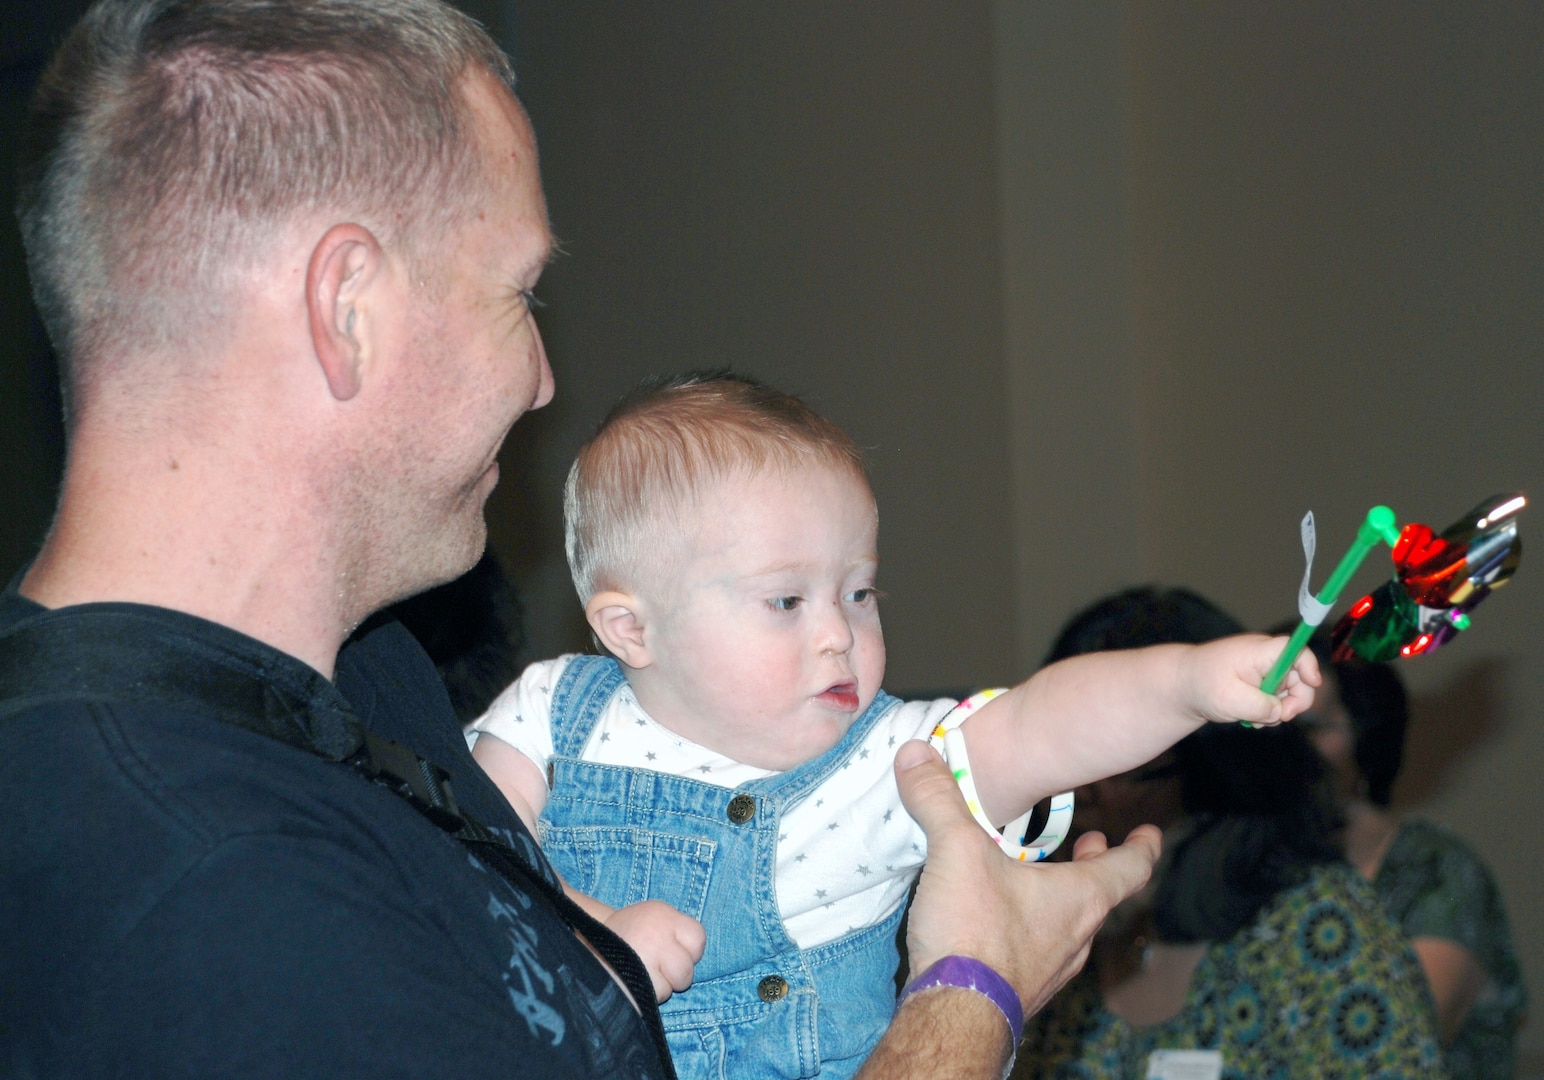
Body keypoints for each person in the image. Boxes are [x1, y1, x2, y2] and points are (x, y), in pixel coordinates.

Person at [0, 2, 1164, 1076]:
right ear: (346, 308)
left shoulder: (364, 688)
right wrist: (969, 990)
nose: (543, 377)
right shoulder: (193, 879)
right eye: (519, 297)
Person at [467, 374, 1320, 1079]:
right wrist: (587, 931)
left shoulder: (878, 764)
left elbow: (1037, 726)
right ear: (631, 630)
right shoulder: (551, 712)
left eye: (859, 592)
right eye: (786, 601)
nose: (838, 632)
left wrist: (1185, 681)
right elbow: (470, 852)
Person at [1014, 587, 1446, 1079]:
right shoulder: (1061, 925)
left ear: (1203, 764)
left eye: (1106, 756)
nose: (1076, 788)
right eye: (1063, 748)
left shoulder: (1320, 928)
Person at [1297, 632, 1528, 1080]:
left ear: (1368, 738)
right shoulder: (1244, 867)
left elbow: (1387, 1053)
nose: (1284, 755)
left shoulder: (1438, 873)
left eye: (1310, 730)